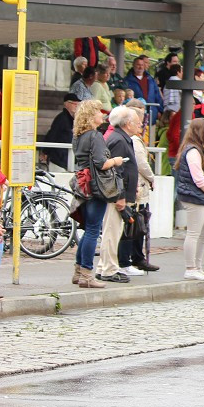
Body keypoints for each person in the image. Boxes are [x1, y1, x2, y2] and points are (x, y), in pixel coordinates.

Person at [71, 100, 125, 289]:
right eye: (99, 112)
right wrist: (116, 160)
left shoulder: (78, 136)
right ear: (90, 115)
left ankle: (79, 272)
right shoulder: (95, 136)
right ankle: (87, 274)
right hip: (96, 187)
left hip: (82, 185)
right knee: (93, 230)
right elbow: (102, 163)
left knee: (89, 229)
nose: (102, 115)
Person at [96, 106, 141, 282]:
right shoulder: (119, 140)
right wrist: (120, 196)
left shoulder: (121, 138)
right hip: (116, 195)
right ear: (128, 123)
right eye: (137, 122)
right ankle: (108, 269)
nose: (140, 125)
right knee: (112, 232)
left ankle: (104, 267)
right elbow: (115, 172)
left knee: (113, 231)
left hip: (118, 193)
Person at [175, 118, 204, 280]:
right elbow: (199, 178)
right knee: (194, 233)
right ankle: (191, 267)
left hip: (201, 196)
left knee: (202, 233)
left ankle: (198, 266)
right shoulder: (193, 151)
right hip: (194, 196)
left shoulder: (199, 150)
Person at [119, 99, 158, 273]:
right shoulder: (134, 140)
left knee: (137, 225)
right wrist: (151, 177)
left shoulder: (131, 139)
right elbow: (141, 163)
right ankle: (131, 259)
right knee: (134, 226)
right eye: (139, 122)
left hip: (137, 186)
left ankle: (135, 257)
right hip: (137, 187)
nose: (142, 125)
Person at [42, 93, 80, 171]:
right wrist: (45, 151)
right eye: (73, 103)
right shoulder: (61, 118)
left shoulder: (72, 119)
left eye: (77, 104)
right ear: (66, 104)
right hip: (58, 159)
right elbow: (52, 134)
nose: (76, 105)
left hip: (67, 159)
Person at [125, 54, 164, 125]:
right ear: (133, 65)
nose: (140, 67)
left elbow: (157, 95)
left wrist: (160, 110)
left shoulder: (151, 80)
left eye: (142, 65)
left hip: (152, 113)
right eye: (138, 65)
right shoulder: (127, 80)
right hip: (136, 114)